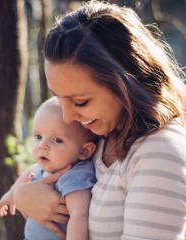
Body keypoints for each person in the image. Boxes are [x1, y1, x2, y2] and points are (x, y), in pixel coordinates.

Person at [12, 1, 186, 240]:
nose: (67, 117)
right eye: (58, 98)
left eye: (81, 102)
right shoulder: (102, 136)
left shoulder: (158, 153)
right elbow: (50, 174)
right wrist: (23, 196)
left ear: (126, 84)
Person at [0, 97, 97, 240]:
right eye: (38, 136)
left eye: (57, 140)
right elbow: (29, 172)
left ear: (84, 151)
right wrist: (9, 197)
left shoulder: (75, 176)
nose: (42, 145)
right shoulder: (44, 168)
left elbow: (79, 216)